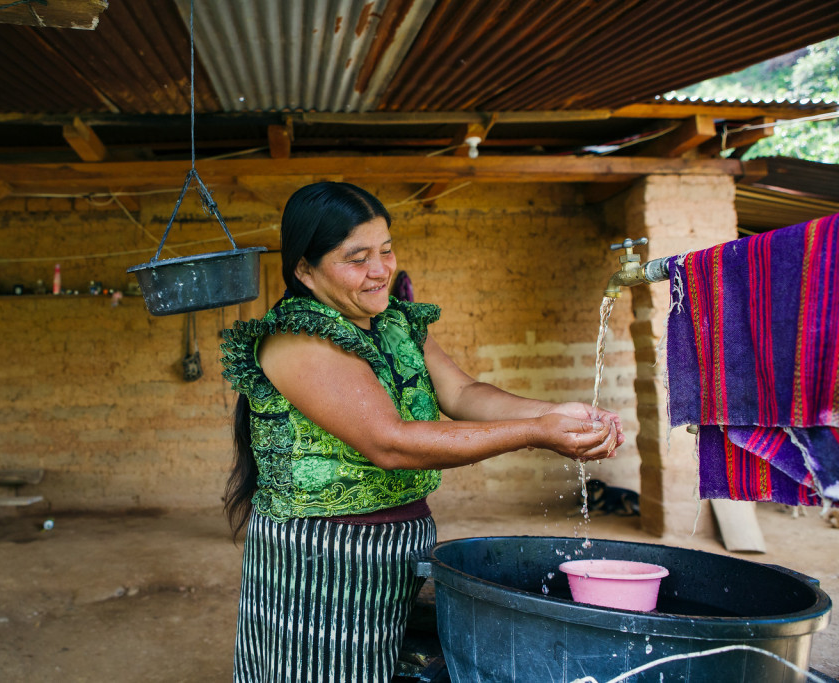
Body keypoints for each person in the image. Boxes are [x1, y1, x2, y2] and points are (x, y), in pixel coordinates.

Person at [220, 181, 622, 682]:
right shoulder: (296, 340)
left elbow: (462, 393)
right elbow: (391, 442)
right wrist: (534, 433)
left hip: (399, 545)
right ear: (304, 268)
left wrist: (556, 411)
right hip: (318, 559)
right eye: (356, 258)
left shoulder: (396, 324)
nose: (380, 270)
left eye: (386, 251)